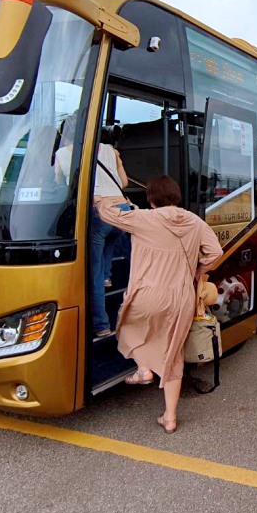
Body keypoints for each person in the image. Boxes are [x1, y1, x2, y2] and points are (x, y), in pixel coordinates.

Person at [95, 175, 222, 434]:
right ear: (176, 196)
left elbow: (107, 214)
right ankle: (170, 418)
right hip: (181, 297)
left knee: (127, 324)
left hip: (147, 294)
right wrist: (199, 271)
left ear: (151, 198)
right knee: (173, 354)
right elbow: (216, 253)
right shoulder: (195, 222)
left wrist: (100, 198)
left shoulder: (143, 218)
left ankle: (143, 369)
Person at [55, 117, 129, 338]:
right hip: (123, 211)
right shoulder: (109, 149)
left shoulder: (63, 154)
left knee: (92, 272)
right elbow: (123, 183)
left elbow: (61, 185)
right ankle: (107, 276)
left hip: (99, 212)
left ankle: (101, 325)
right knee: (108, 249)